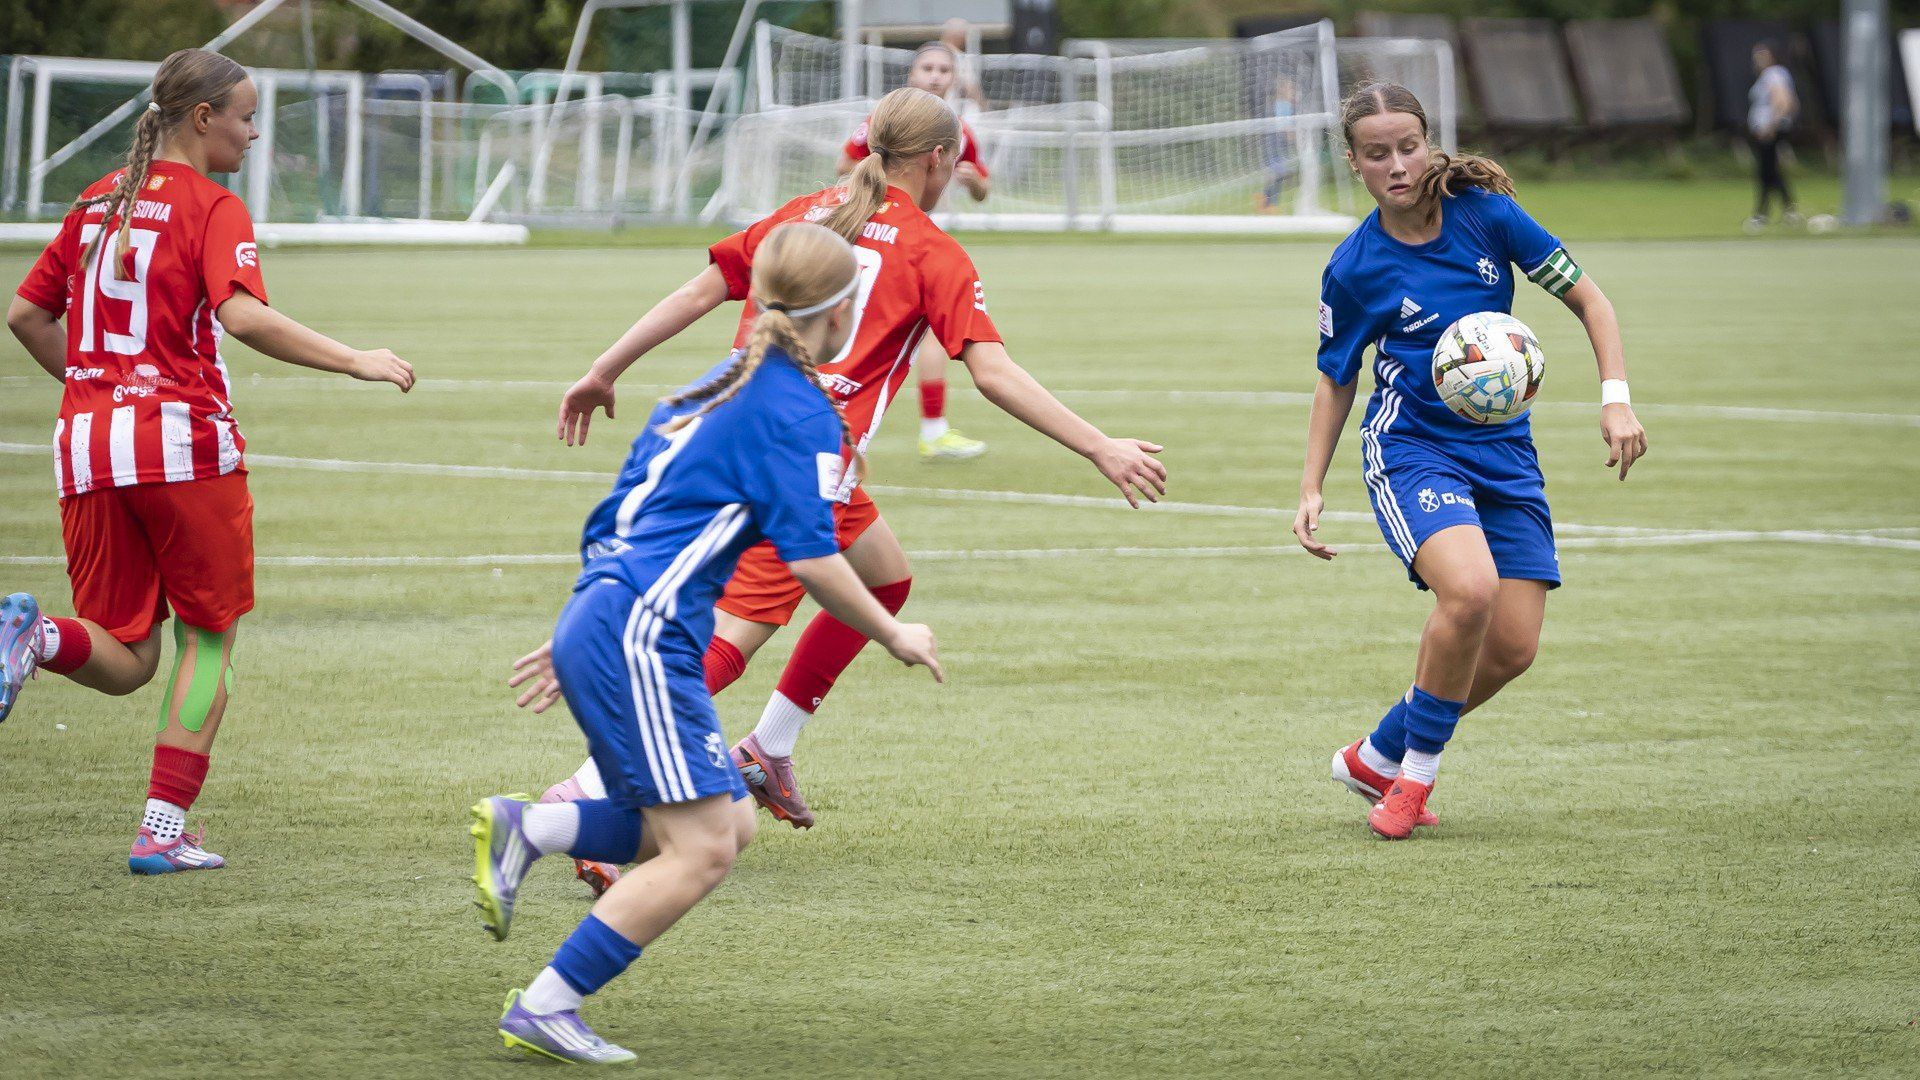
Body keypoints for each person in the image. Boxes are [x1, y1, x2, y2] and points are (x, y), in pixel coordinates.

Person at [519, 87, 1164, 893]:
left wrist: (603, 368)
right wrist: (1100, 445)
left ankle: (770, 747)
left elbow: (698, 291)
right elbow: (992, 372)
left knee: (885, 576)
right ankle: (586, 793)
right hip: (798, 459)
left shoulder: (806, 214)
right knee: (732, 639)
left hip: (764, 431)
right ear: (940, 160)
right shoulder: (932, 251)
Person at [469, 221, 944, 1064]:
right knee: (703, 850)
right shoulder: (798, 411)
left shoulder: (710, 385)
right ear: (844, 314)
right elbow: (813, 558)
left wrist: (588, 618)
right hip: (641, 635)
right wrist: (893, 631)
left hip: (615, 617)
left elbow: (620, 514)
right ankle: (547, 1004)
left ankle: (533, 830)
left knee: (731, 821)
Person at [0, 48, 414, 873]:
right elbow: (243, 317)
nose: (254, 134)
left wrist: (100, 387)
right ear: (202, 118)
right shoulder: (213, 206)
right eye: (246, 117)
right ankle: (161, 832)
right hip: (182, 447)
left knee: (127, 656)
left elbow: (25, 316)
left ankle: (35, 635)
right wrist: (355, 359)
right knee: (208, 641)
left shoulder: (93, 202)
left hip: (87, 447)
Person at [1293, 83, 1647, 839]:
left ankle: (1377, 755)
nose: (1397, 165)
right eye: (1377, 154)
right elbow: (1336, 378)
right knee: (1470, 591)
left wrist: (1616, 398)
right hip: (1413, 449)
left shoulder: (1487, 216)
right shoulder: (1355, 267)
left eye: (1408, 147)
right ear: (1353, 163)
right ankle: (1412, 782)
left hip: (1505, 452)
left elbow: (1592, 300)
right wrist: (1311, 485)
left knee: (1513, 648)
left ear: (1429, 143)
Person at [839, 42, 993, 461]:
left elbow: (983, 187)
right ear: (912, 73)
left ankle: (932, 428)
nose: (936, 76)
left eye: (944, 69)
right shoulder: (884, 122)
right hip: (875, 235)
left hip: (917, 239)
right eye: (928, 67)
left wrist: (973, 181)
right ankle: (927, 428)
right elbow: (845, 165)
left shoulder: (959, 131)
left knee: (930, 329)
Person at [1745, 43, 1800, 232]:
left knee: (1766, 172)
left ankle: (1763, 214)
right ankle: (1787, 210)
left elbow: (1784, 101)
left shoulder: (1773, 74)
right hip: (1768, 129)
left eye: (1762, 55)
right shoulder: (1775, 74)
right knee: (1771, 171)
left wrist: (1771, 125)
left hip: (1769, 130)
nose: (1757, 59)